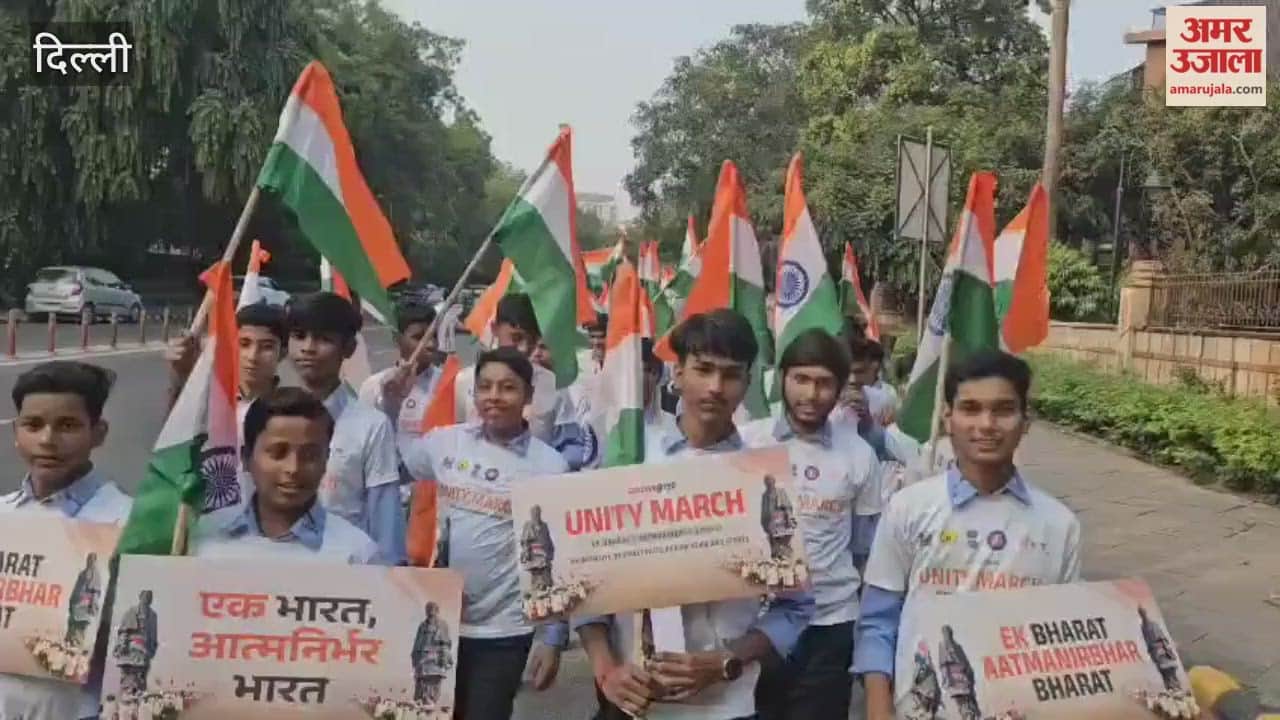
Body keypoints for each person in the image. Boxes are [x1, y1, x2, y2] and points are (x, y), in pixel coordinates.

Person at [576, 309, 815, 720]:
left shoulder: (765, 481)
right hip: (631, 701)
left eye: (731, 374)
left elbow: (795, 606)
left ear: (747, 382)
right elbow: (584, 581)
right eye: (703, 370)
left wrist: (725, 661)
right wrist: (606, 669)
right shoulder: (632, 457)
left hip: (726, 705)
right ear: (678, 372)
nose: (716, 387)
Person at [854, 351, 1082, 720]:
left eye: (1004, 410)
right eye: (971, 408)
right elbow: (878, 624)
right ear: (948, 418)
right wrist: (878, 712)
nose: (987, 424)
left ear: (1026, 421)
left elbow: (1064, 641)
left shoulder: (1060, 525)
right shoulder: (907, 509)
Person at [401, 347, 569, 720]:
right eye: (485, 387)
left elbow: (558, 560)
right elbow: (387, 470)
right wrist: (389, 402)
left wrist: (553, 638)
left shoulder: (550, 466)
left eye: (508, 388)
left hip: (505, 631)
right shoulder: (444, 443)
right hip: (439, 621)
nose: (494, 396)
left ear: (527, 396)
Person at [740, 328, 883, 720]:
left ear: (839, 388)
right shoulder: (749, 442)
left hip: (830, 624)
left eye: (824, 383)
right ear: (782, 378)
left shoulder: (858, 455)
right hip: (755, 624)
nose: (811, 393)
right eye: (801, 379)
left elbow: (863, 548)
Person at [1, 361, 132, 720]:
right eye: (33, 425)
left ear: (99, 432)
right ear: (16, 431)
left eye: (68, 426)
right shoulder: (2, 515)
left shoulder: (126, 522)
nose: (47, 440)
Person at [190, 387, 381, 564]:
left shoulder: (356, 555)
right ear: (247, 457)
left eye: (310, 455)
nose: (293, 468)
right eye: (278, 453)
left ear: (326, 460)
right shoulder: (205, 544)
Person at [285, 292, 404, 564]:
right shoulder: (266, 416)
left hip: (344, 582)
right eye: (299, 336)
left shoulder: (371, 426)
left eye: (323, 339)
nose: (308, 348)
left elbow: (386, 528)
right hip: (275, 575)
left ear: (348, 348)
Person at [166, 302, 288, 514]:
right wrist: (182, 377)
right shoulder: (210, 403)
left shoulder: (290, 413)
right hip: (210, 523)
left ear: (283, 352)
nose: (253, 356)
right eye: (245, 343)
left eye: (267, 346)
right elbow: (176, 445)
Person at [452, 293, 587, 470]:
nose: (523, 348)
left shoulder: (550, 384)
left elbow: (572, 448)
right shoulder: (465, 381)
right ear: (494, 329)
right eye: (516, 338)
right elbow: (459, 439)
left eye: (530, 340)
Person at [359, 300, 440, 441]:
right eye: (419, 337)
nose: (431, 344)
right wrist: (389, 404)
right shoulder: (373, 386)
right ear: (397, 338)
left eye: (434, 336)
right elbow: (365, 437)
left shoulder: (448, 383)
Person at [111, 590, 158, 697]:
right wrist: (122, 646)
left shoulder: (153, 616)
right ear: (140, 597)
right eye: (145, 597)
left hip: (144, 653)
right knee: (128, 683)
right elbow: (124, 631)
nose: (146, 599)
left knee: (140, 683)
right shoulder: (131, 612)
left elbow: (153, 637)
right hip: (130, 651)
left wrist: (151, 652)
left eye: (149, 597)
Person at [412, 601, 454, 706]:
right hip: (422, 662)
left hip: (435, 662)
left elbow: (446, 644)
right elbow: (417, 643)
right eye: (428, 609)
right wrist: (414, 657)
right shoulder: (422, 626)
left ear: (437, 611)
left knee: (433, 687)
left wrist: (443, 659)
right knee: (420, 688)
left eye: (432, 610)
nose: (430, 612)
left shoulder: (442, 625)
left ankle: (430, 702)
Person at [937, 625, 979, 720]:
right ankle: (968, 715)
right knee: (962, 704)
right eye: (945, 632)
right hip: (954, 681)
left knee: (967, 703)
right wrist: (946, 680)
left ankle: (970, 715)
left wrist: (968, 675)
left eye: (948, 632)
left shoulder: (957, 647)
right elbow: (943, 664)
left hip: (963, 679)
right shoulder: (943, 646)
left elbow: (965, 662)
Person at [1139, 607, 1181, 691]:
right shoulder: (1144, 627)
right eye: (1141, 613)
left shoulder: (1153, 625)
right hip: (1157, 653)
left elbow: (1162, 637)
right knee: (1165, 674)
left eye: (1143, 612)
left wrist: (1165, 647)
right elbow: (1148, 640)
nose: (1143, 615)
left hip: (1163, 651)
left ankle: (1177, 689)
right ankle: (1172, 689)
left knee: (1171, 672)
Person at [66, 552, 102, 647]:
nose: (90, 562)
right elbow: (76, 590)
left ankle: (76, 651)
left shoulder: (95, 575)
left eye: (92, 560)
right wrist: (71, 603)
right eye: (88, 559)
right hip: (75, 606)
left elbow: (95, 593)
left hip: (84, 608)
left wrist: (92, 607)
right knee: (71, 631)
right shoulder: (83, 573)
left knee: (79, 633)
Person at [760, 475, 796, 561]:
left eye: (770, 481)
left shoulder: (780, 492)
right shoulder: (765, 495)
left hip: (782, 522)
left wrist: (788, 517)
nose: (769, 483)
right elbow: (764, 511)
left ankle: (788, 562)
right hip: (771, 524)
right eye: (767, 481)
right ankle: (777, 562)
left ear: (774, 481)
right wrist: (764, 523)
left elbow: (788, 506)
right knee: (774, 544)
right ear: (765, 483)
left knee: (784, 543)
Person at [521, 504, 555, 591]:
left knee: (548, 583)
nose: (536, 515)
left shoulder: (544, 526)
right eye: (534, 513)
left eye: (537, 513)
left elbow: (548, 540)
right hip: (534, 560)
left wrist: (551, 553)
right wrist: (527, 552)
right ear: (531, 514)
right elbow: (524, 541)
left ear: (540, 513)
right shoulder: (527, 525)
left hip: (545, 559)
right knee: (537, 586)